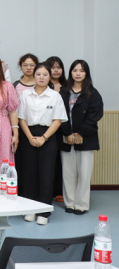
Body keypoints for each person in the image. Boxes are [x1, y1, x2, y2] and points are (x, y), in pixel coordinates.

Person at [16, 63, 67, 226]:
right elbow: (21, 118)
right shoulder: (25, 95)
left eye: (45, 74)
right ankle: (30, 209)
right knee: (29, 174)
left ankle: (44, 211)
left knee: (46, 175)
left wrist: (44, 138)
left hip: (48, 136)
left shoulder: (55, 96)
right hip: (28, 135)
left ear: (49, 77)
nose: (41, 77)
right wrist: (30, 137)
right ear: (34, 76)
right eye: (38, 74)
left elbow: (57, 120)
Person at [59, 60, 104, 215]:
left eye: (82, 70)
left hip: (86, 138)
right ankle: (70, 203)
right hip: (66, 137)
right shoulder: (63, 92)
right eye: (75, 70)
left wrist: (80, 133)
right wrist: (67, 133)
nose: (78, 73)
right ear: (71, 72)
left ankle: (81, 204)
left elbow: (94, 116)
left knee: (84, 174)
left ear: (86, 73)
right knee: (68, 173)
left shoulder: (93, 93)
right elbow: (59, 114)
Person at [46, 55, 67, 203]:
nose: (56, 70)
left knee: (61, 161)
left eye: (59, 67)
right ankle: (49, 191)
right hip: (48, 128)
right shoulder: (43, 86)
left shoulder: (67, 86)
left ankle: (60, 191)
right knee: (49, 161)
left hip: (64, 129)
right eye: (53, 67)